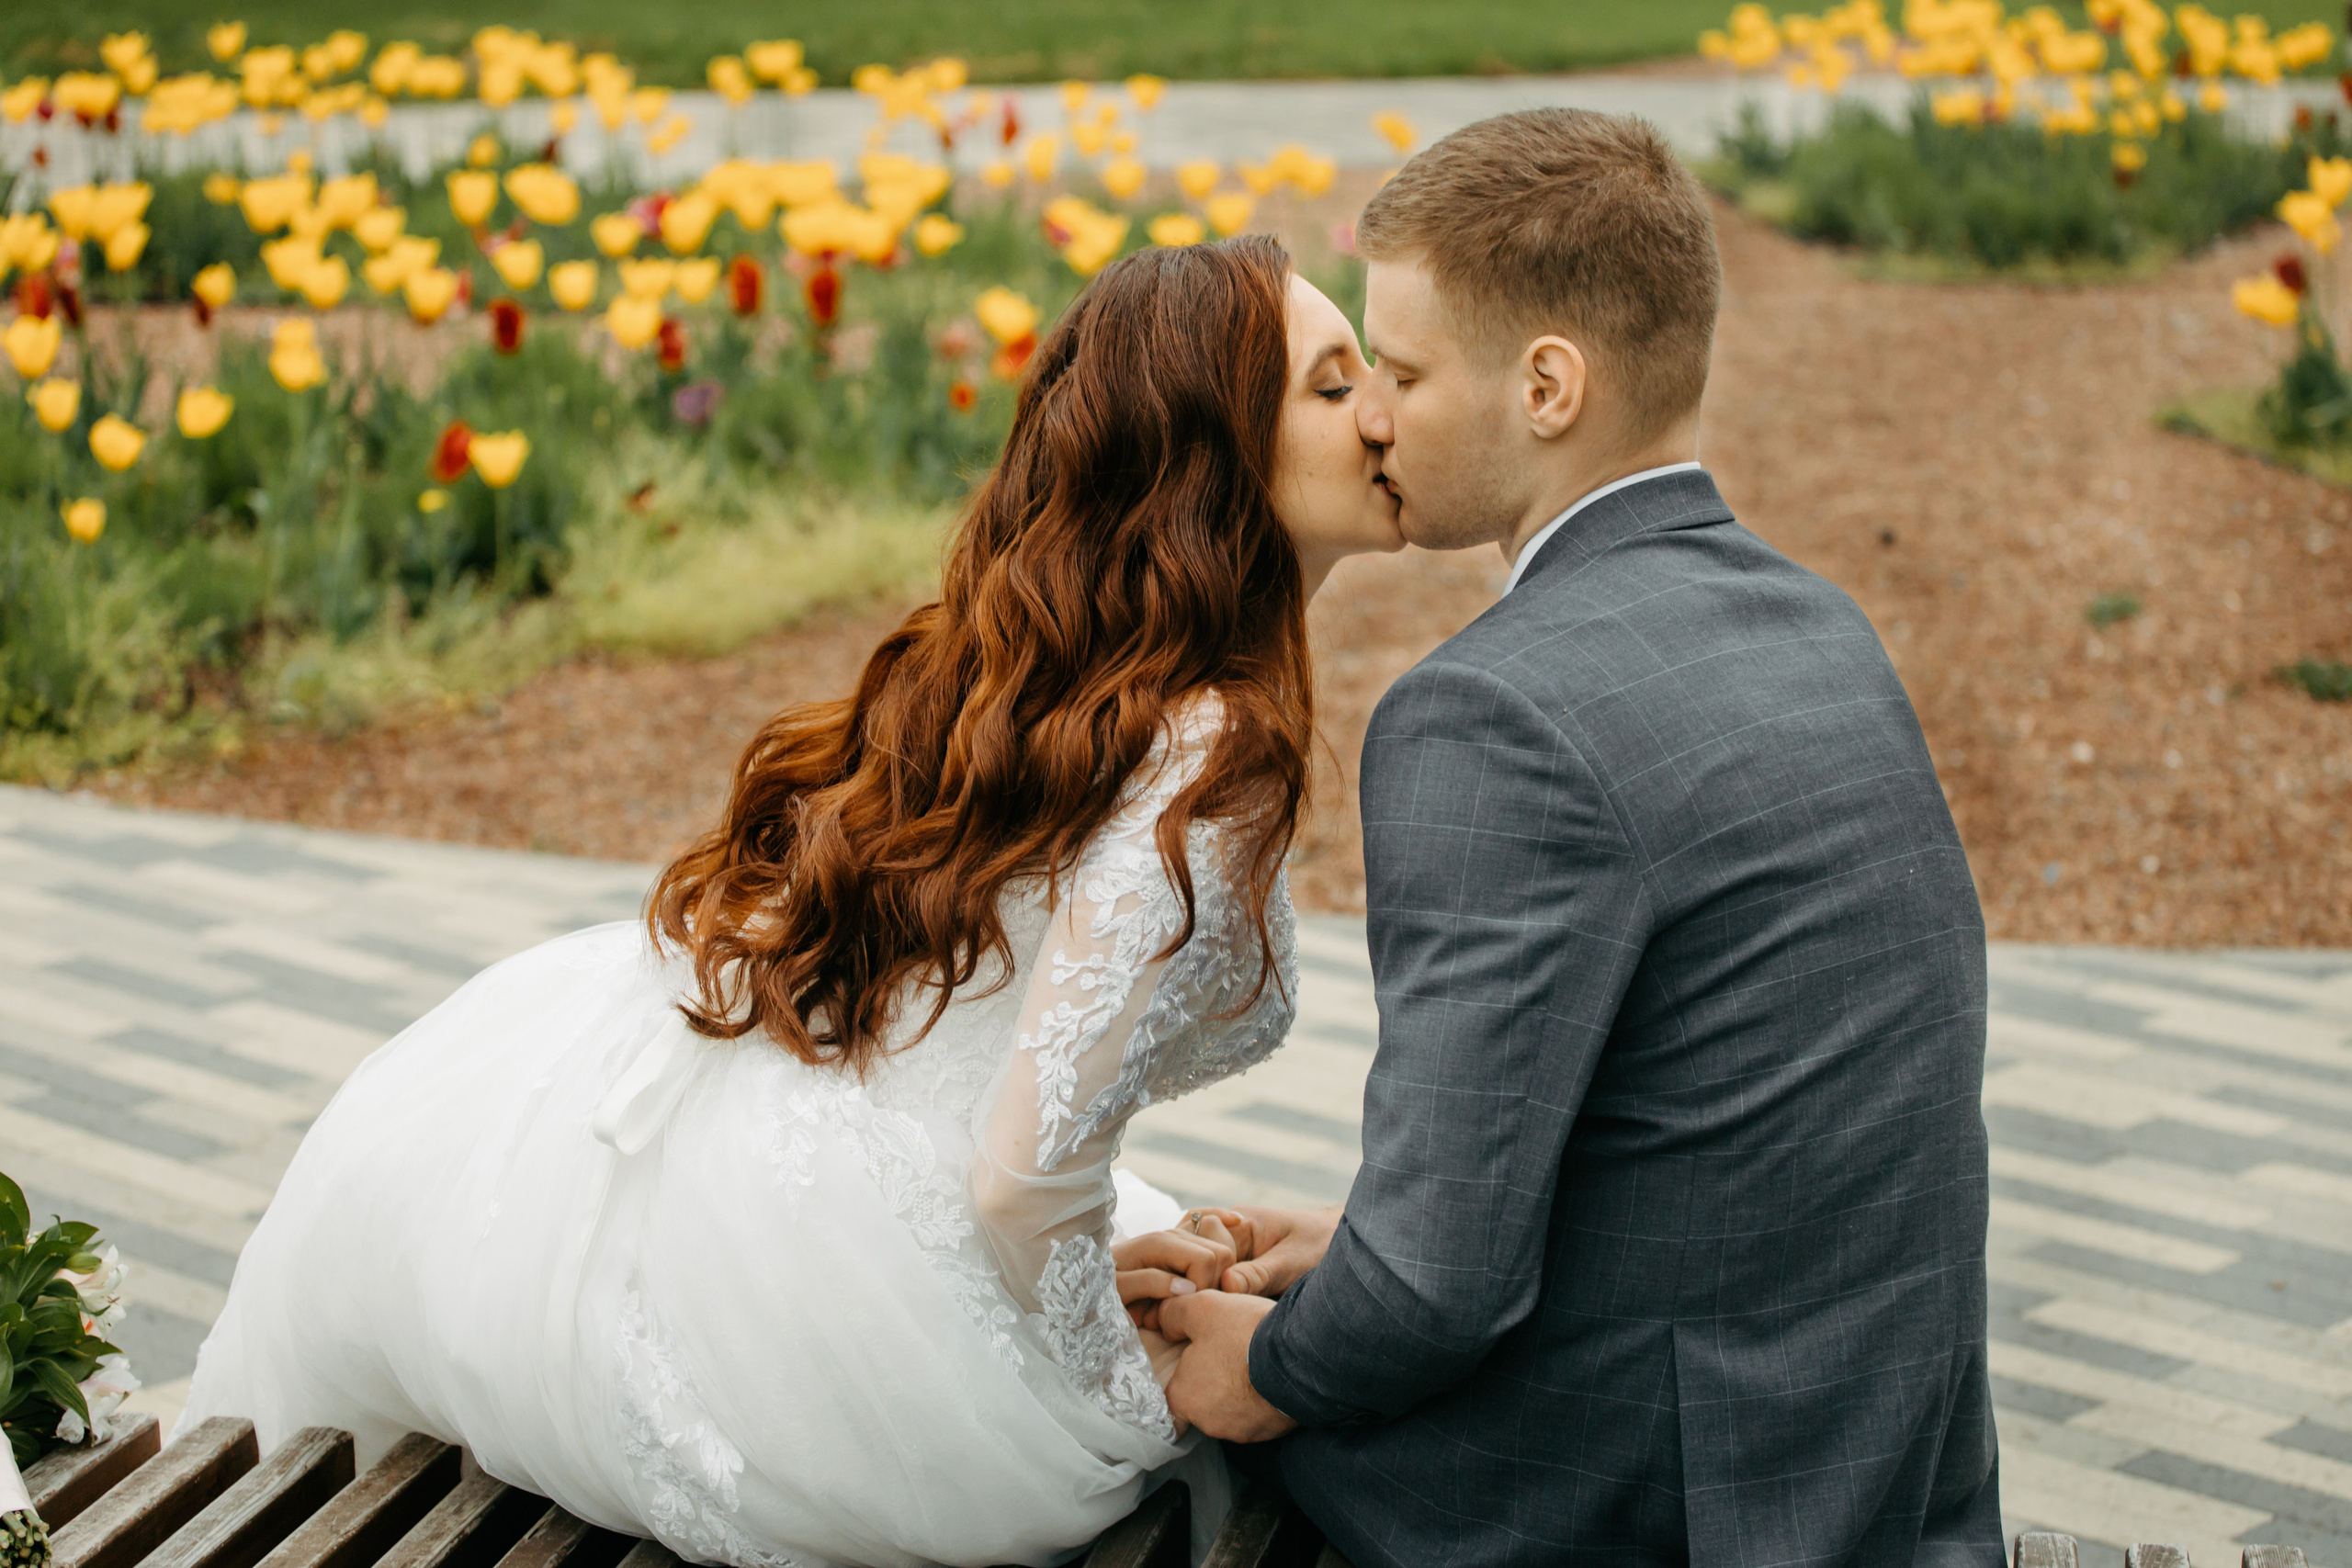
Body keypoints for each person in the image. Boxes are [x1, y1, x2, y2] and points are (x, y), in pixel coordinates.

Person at [178, 233, 1405, 1568]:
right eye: (1333, 384)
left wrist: (1064, 1270)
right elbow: (1020, 1182)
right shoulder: (1212, 746)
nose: (1382, 411)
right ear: (1213, 455)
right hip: (811, 1290)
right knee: (1174, 1446)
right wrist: (1116, 1374)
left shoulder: (1096, 679)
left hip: (783, 1170)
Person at [1157, 109, 2003, 1567]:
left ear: (1547, 386)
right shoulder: (1823, 629)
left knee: (1149, 1418)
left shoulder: (1492, 713)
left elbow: (1434, 1293)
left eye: (1404, 372)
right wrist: (1357, 1250)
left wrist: (1275, 1366)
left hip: (1642, 1511)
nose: (1375, 418)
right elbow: (1711, 1130)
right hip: (1868, 1470)